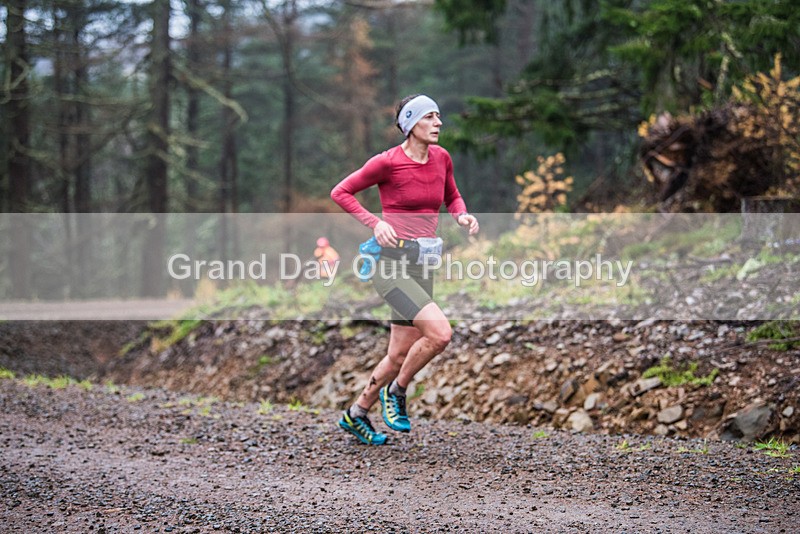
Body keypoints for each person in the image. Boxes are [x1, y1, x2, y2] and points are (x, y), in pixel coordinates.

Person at [330, 94, 479, 445]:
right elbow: (341, 192)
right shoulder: (387, 163)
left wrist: (461, 214)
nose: (439, 123)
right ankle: (396, 392)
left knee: (398, 353)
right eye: (430, 117)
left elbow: (451, 196)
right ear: (411, 124)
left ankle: (357, 413)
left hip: (421, 263)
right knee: (440, 334)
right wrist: (374, 223)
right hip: (391, 264)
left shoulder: (442, 158)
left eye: (439, 116)